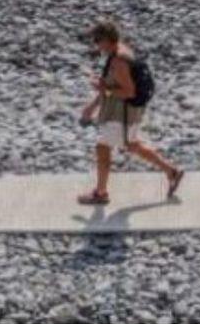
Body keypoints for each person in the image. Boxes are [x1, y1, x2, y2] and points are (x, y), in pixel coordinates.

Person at [77, 18, 183, 206]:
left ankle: (100, 193)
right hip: (127, 111)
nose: (95, 45)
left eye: (97, 40)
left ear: (107, 40)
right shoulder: (120, 52)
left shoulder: (119, 61)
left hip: (122, 112)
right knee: (132, 144)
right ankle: (171, 172)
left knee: (102, 147)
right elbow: (111, 85)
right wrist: (93, 105)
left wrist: (104, 90)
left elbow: (128, 92)